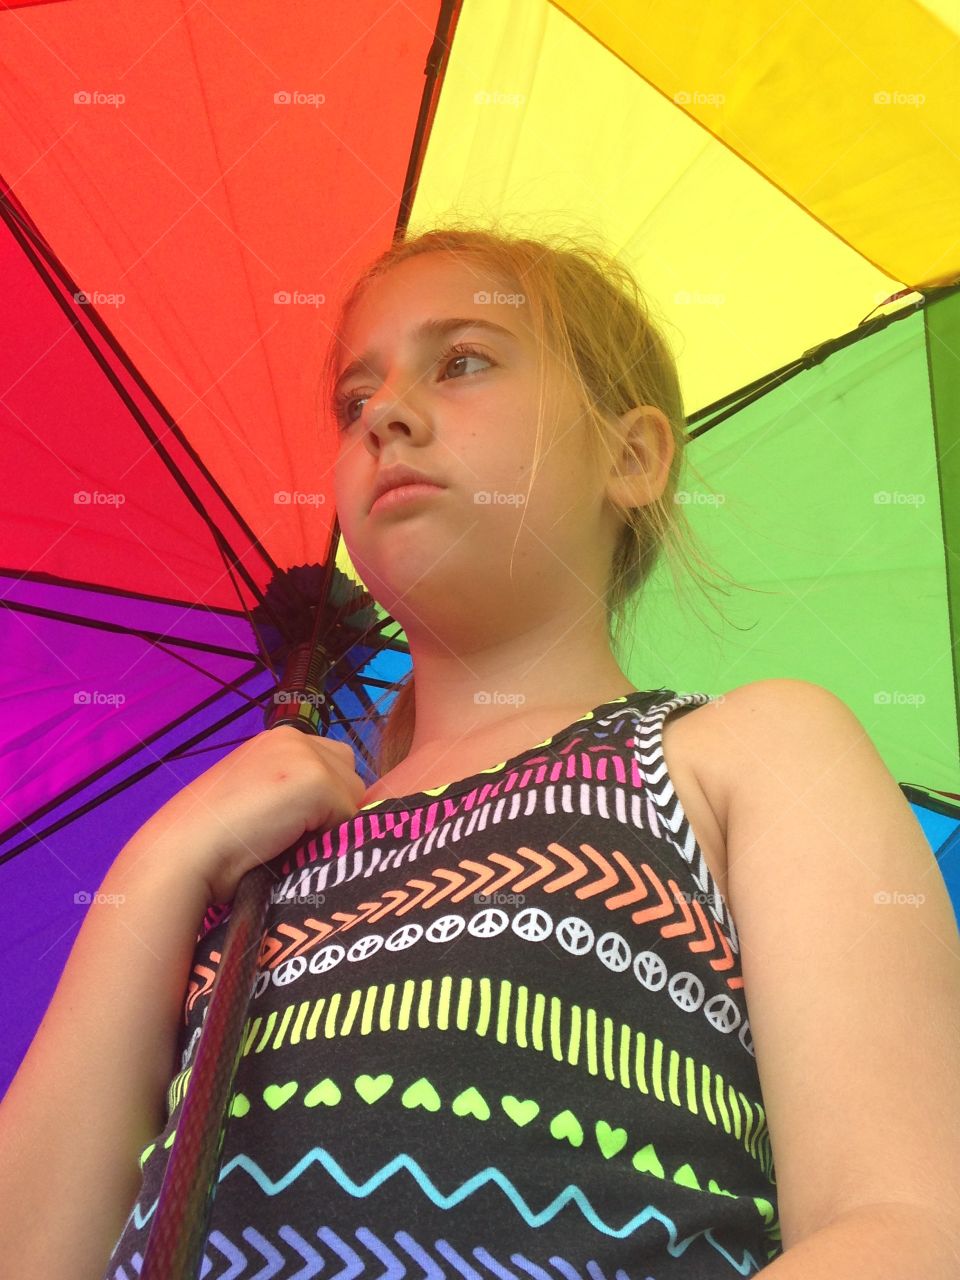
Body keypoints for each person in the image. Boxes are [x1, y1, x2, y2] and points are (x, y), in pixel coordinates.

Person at [3, 225, 958, 1279]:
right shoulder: (249, 861)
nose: (386, 417)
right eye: (353, 400)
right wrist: (164, 857)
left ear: (632, 456)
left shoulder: (743, 752)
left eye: (462, 361)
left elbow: (906, 1220)